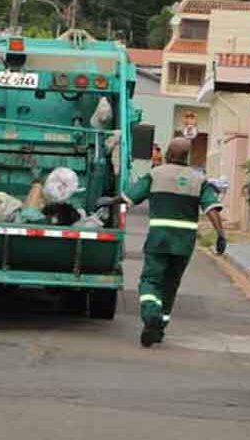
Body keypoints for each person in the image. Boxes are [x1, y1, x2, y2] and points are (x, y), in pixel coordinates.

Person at [98, 137, 226, 348]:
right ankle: (159, 329)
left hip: (159, 239)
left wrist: (109, 201)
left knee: (150, 280)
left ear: (169, 154)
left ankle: (151, 315)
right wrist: (221, 234)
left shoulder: (155, 175)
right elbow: (211, 208)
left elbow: (130, 197)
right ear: (187, 156)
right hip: (184, 243)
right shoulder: (199, 180)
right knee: (170, 285)